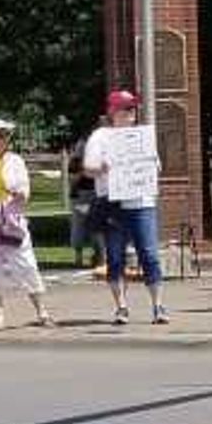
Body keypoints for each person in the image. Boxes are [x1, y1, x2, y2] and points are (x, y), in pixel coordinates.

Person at [78, 86, 170, 326]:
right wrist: (103, 168)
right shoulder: (101, 136)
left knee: (149, 254)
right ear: (112, 111)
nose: (130, 113)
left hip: (141, 202)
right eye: (125, 108)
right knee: (116, 257)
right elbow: (88, 167)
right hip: (113, 202)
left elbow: (156, 166)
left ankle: (158, 305)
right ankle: (121, 307)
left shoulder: (142, 136)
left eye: (132, 108)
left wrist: (151, 167)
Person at [0, 117, 53, 329]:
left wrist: (19, 193)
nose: (3, 138)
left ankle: (42, 311)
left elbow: (25, 191)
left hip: (11, 221)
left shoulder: (15, 161)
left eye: (6, 134)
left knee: (26, 264)